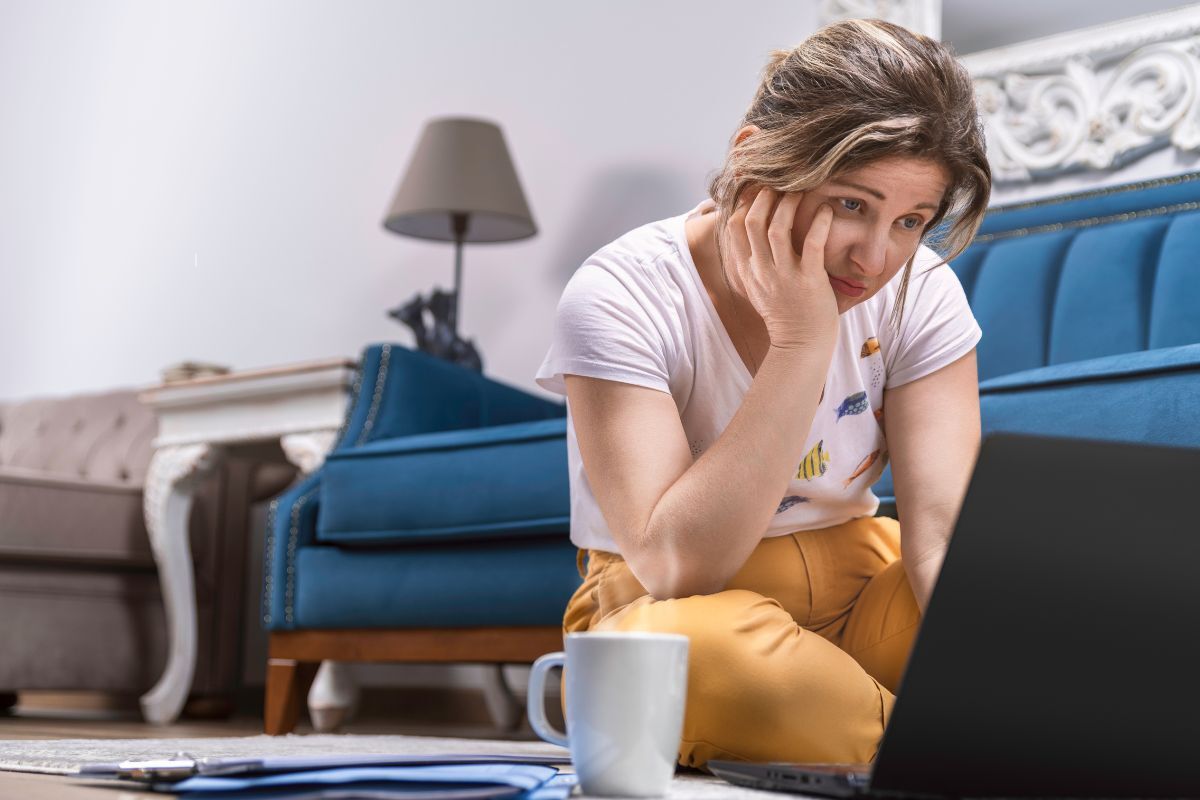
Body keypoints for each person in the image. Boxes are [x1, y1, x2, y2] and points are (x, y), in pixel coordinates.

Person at [534, 18, 991, 769]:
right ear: (755, 160)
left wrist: (1008, 652)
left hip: (862, 589)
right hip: (675, 605)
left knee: (1014, 600)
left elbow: (941, 542)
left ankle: (875, 735)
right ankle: (951, 758)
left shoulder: (922, 290)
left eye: (909, 221)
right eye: (852, 204)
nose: (875, 258)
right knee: (689, 659)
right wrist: (800, 344)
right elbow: (677, 566)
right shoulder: (618, 293)